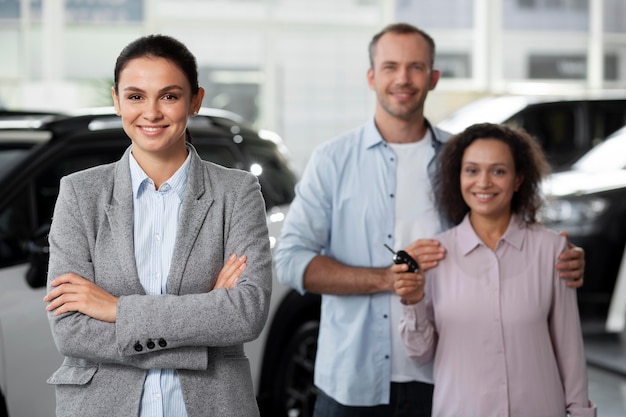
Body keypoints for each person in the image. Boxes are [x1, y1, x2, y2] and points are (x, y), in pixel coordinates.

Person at [274, 23, 586, 417]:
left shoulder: (463, 162)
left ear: (434, 77)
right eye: (390, 66)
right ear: (371, 77)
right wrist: (386, 279)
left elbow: (509, 243)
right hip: (350, 381)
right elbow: (290, 260)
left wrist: (562, 260)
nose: (403, 78)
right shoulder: (332, 161)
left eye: (416, 67)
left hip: (446, 381)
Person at [42, 34, 272, 417]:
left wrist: (117, 309)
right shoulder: (79, 194)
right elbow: (71, 331)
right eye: (135, 96)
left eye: (169, 96)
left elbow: (245, 313)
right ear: (116, 100)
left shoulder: (237, 192)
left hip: (212, 404)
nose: (151, 112)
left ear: (195, 100)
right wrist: (204, 324)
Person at [395, 123, 596, 416]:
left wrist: (580, 413)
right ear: (458, 177)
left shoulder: (551, 251)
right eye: (472, 170)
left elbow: (570, 351)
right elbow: (419, 354)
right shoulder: (434, 256)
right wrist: (412, 301)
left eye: (498, 171)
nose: (484, 182)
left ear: (518, 180)